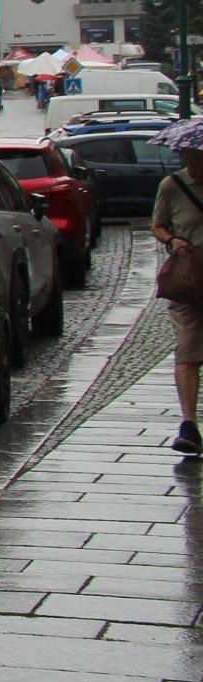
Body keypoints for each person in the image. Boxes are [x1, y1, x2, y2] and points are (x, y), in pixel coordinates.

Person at [150, 144, 203, 456]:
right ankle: (188, 424)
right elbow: (157, 225)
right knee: (187, 350)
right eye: (190, 160)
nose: (194, 166)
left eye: (199, 160)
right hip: (187, 278)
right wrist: (173, 240)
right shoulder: (172, 186)